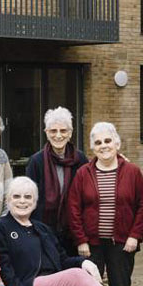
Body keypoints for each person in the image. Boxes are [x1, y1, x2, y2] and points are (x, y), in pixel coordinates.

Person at [0, 177, 117, 286]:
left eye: (27, 197)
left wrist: (83, 262)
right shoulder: (0, 227)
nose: (22, 201)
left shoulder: (43, 228)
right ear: (8, 200)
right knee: (77, 275)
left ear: (35, 201)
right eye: (16, 196)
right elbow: (5, 269)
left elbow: (62, 260)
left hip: (54, 285)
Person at [67, 122, 143, 286]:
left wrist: (134, 236)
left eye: (107, 140)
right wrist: (80, 240)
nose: (103, 145)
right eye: (98, 143)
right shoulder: (83, 173)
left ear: (117, 144)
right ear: (92, 148)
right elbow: (73, 208)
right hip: (91, 244)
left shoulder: (132, 172)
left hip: (122, 243)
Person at [25, 107, 88, 255]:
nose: (58, 135)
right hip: (43, 232)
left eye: (63, 131)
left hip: (73, 232)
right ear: (46, 133)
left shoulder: (81, 160)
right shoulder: (36, 161)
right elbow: (29, 198)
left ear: (70, 133)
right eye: (53, 131)